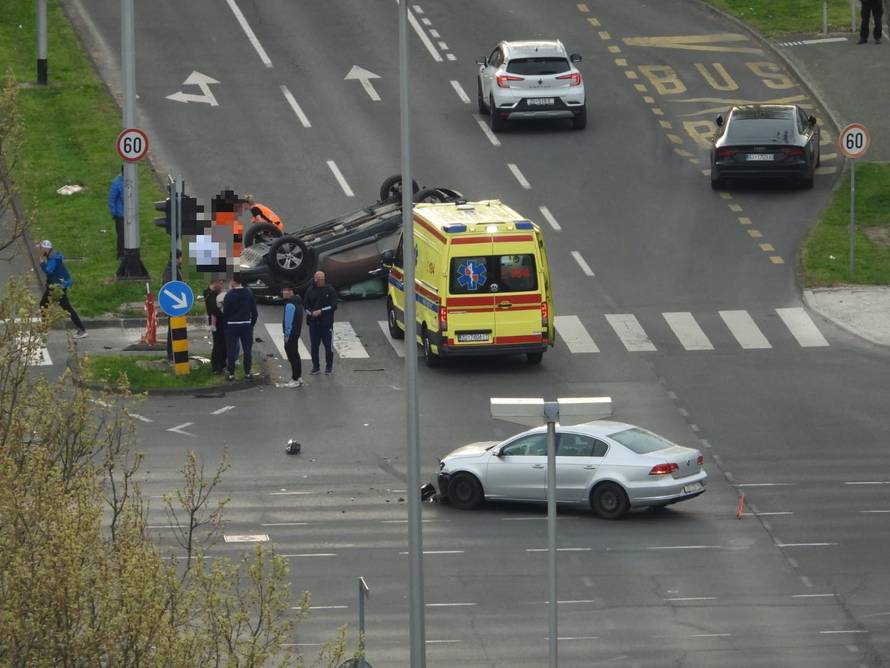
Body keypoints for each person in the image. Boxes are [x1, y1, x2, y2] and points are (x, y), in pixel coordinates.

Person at [36, 239, 87, 339]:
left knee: (64, 307)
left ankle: (82, 330)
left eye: (41, 248)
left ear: (46, 249)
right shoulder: (54, 256)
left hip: (57, 287)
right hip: (57, 286)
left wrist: (42, 263)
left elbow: (49, 271)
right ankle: (45, 328)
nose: (40, 250)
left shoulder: (52, 259)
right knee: (45, 304)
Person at [222, 274, 258, 381]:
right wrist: (251, 324)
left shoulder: (229, 295)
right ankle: (247, 372)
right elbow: (254, 312)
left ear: (233, 281)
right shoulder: (249, 293)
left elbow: (226, 313)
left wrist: (226, 326)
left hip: (232, 325)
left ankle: (231, 373)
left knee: (231, 350)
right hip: (246, 324)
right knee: (247, 350)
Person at [303, 270, 337, 374]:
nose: (320, 281)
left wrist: (321, 311)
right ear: (315, 279)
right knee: (314, 346)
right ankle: (316, 366)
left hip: (326, 324)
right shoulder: (310, 290)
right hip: (313, 323)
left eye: (322, 279)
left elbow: (333, 306)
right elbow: (305, 305)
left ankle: (329, 366)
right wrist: (311, 313)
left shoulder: (330, 290)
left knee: (327, 346)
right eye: (318, 279)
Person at [280, 285, 304, 388]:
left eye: (285, 290)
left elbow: (288, 321)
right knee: (296, 354)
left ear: (291, 291)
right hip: (296, 332)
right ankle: (298, 377)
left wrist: (286, 335)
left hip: (291, 334)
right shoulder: (298, 302)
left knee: (292, 355)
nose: (283, 292)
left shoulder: (290, 304)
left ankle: (295, 379)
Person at [162, 250, 184, 361]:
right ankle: (172, 354)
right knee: (173, 330)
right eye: (181, 258)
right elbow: (171, 288)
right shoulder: (171, 271)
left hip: (176, 304)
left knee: (175, 329)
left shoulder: (174, 269)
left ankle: (176, 353)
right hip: (173, 305)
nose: (182, 260)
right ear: (177, 258)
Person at [203, 278, 227, 374]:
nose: (221, 283)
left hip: (220, 321)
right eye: (220, 281)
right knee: (219, 344)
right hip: (217, 323)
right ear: (214, 282)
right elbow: (214, 310)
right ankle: (217, 366)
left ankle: (221, 364)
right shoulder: (210, 294)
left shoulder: (214, 292)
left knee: (223, 344)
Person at [108, 167, 125, 259]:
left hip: (128, 213)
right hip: (120, 214)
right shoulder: (117, 183)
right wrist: (114, 213)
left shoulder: (129, 180)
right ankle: (121, 254)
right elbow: (111, 199)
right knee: (122, 235)